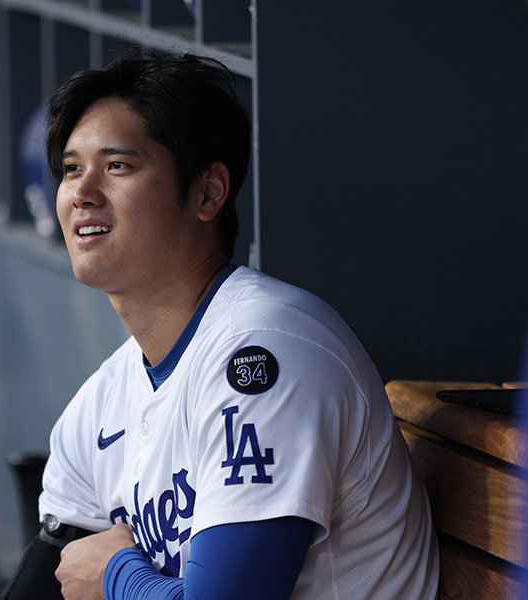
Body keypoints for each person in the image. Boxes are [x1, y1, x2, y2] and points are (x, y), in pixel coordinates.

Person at [36, 48, 440, 599]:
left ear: (208, 192)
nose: (82, 194)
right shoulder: (103, 400)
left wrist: (114, 576)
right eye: (71, 169)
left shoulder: (265, 351)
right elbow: (51, 570)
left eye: (117, 166)